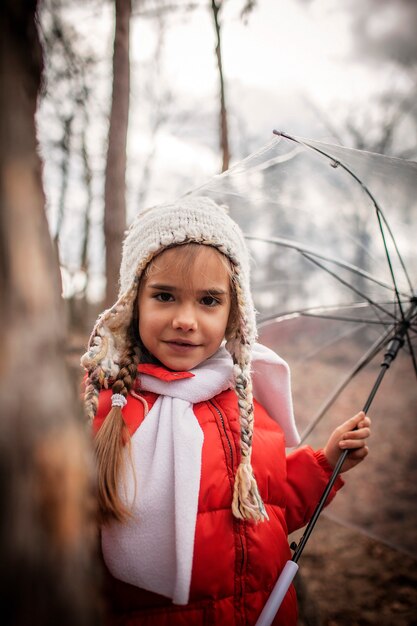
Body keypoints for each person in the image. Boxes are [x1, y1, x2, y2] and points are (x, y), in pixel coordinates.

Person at [81, 196, 371, 626]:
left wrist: (326, 462)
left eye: (209, 301)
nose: (185, 319)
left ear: (234, 313)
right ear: (132, 303)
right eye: (164, 296)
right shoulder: (107, 410)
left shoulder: (247, 408)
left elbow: (269, 507)